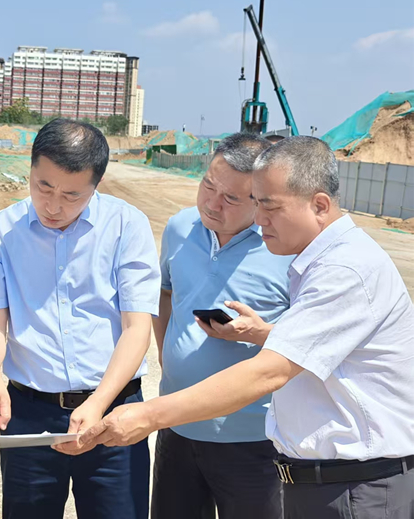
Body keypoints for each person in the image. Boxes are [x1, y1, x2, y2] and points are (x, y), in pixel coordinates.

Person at [81, 136, 414, 519]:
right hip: (325, 480)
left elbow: (268, 372)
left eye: (268, 206)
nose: (258, 220)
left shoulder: (344, 270)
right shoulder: (315, 262)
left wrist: (146, 416)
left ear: (320, 205)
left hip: (355, 487)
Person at [0, 118, 160, 519]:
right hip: (30, 415)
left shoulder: (126, 226)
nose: (53, 206)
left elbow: (136, 328)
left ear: (96, 184)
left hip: (113, 412)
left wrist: (99, 402)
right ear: (31, 169)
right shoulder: (2, 231)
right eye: (43, 187)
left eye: (72, 195)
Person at [153, 133, 292, 519]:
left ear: (260, 201)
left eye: (230, 198)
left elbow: (314, 342)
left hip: (252, 441)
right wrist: (167, 357)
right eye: (208, 186)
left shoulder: (285, 249)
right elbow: (166, 294)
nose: (212, 204)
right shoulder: (180, 228)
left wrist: (258, 333)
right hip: (176, 425)